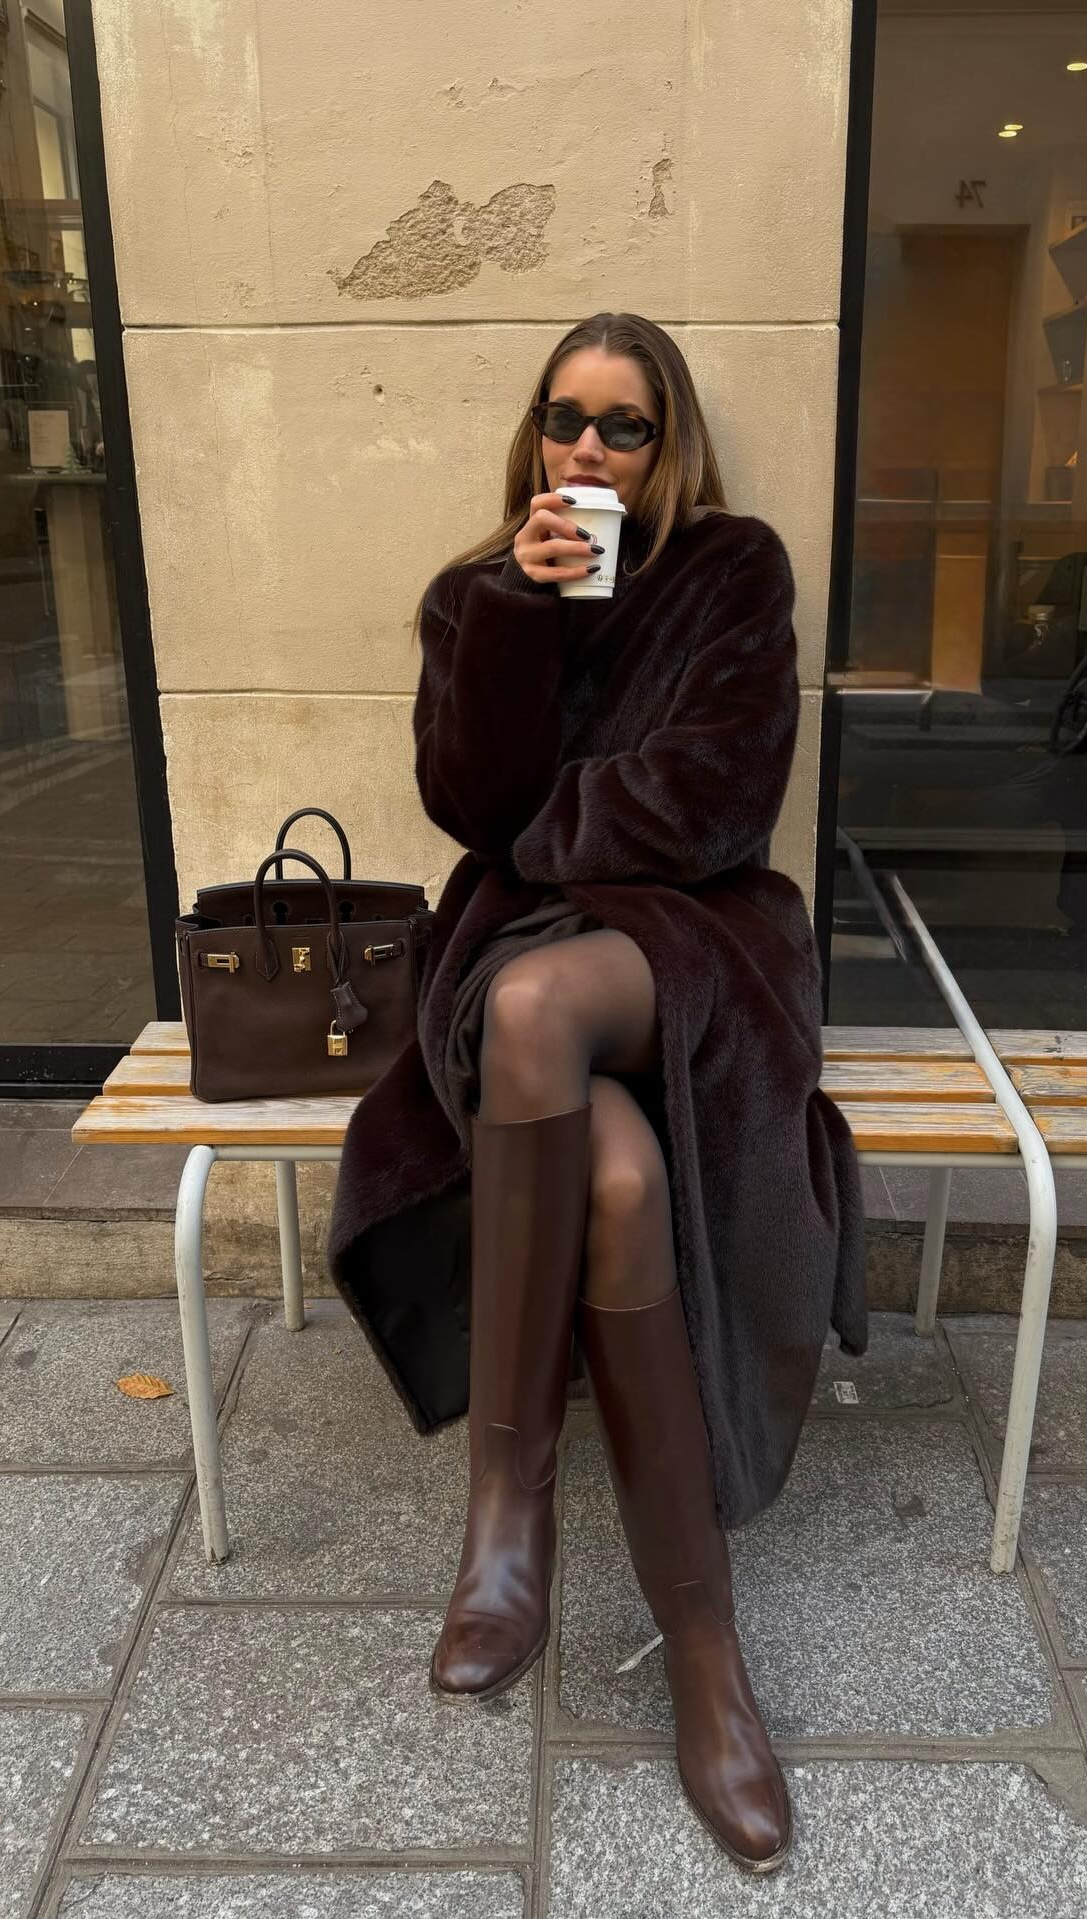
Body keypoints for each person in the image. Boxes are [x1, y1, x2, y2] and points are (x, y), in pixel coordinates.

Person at [327, 311, 866, 1874]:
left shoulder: (732, 571)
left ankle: (508, 1511)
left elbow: (717, 799)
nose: (586, 448)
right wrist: (519, 614)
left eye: (622, 427)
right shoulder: (476, 594)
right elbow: (465, 801)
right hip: (508, 960)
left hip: (695, 949)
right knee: (616, 1180)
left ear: (668, 448)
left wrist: (545, 837)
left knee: (546, 998)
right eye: (565, 418)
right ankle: (704, 1648)